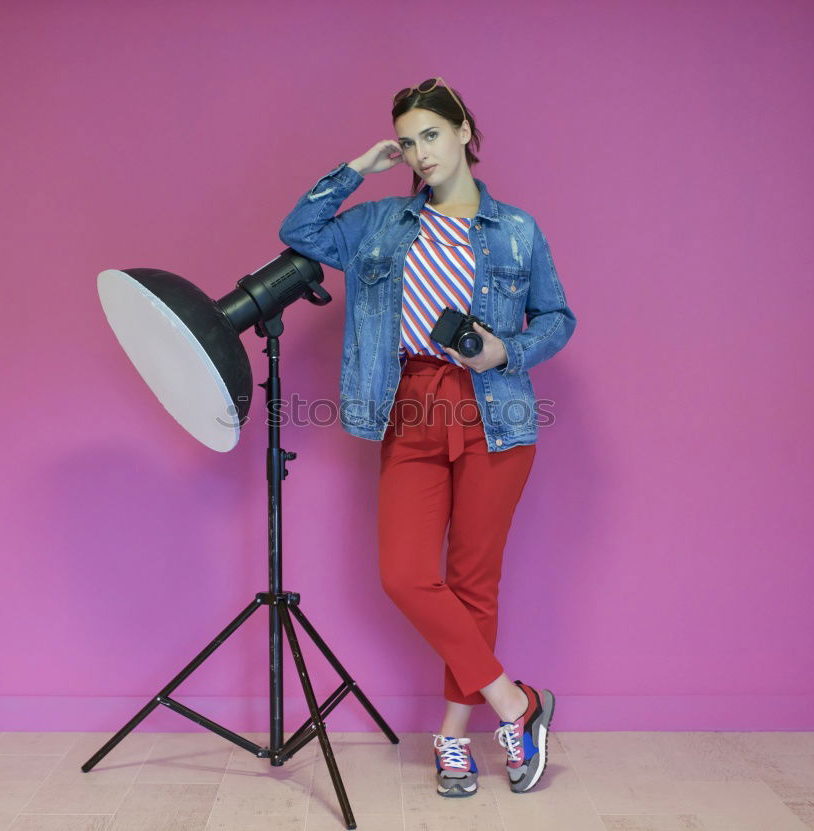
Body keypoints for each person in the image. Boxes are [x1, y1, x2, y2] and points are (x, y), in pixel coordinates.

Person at [278, 77, 576, 798]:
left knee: (475, 580)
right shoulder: (381, 222)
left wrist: (505, 352)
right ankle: (516, 702)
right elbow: (301, 232)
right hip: (409, 405)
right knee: (406, 572)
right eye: (409, 140)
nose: (420, 150)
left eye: (431, 134)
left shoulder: (517, 230)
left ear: (465, 130)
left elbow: (557, 318)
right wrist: (358, 168)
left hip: (494, 410)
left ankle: (452, 735)